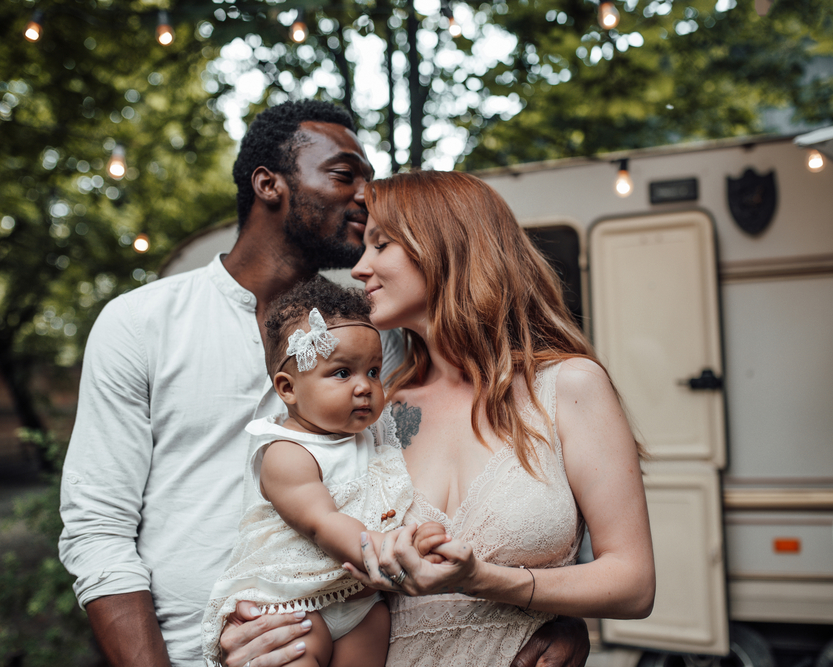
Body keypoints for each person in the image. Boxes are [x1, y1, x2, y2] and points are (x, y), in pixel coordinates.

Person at [59, 98, 589, 667]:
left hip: (362, 636)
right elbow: (97, 531)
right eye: (344, 174)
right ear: (269, 184)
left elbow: (481, 480)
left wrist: (558, 617)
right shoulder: (141, 322)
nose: (366, 193)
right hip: (194, 650)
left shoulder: (380, 336)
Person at [336, 170, 657, 667]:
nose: (360, 268)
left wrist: (487, 581)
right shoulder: (380, 410)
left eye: (381, 244)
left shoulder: (568, 386)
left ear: (446, 245)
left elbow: (633, 584)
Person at [202, 276, 447, 667]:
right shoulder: (285, 452)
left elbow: (388, 504)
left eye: (373, 371)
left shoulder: (373, 437)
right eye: (341, 373)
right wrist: (392, 551)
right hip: (290, 600)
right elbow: (323, 522)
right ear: (288, 388)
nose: (364, 387)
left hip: (360, 600)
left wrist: (413, 541)